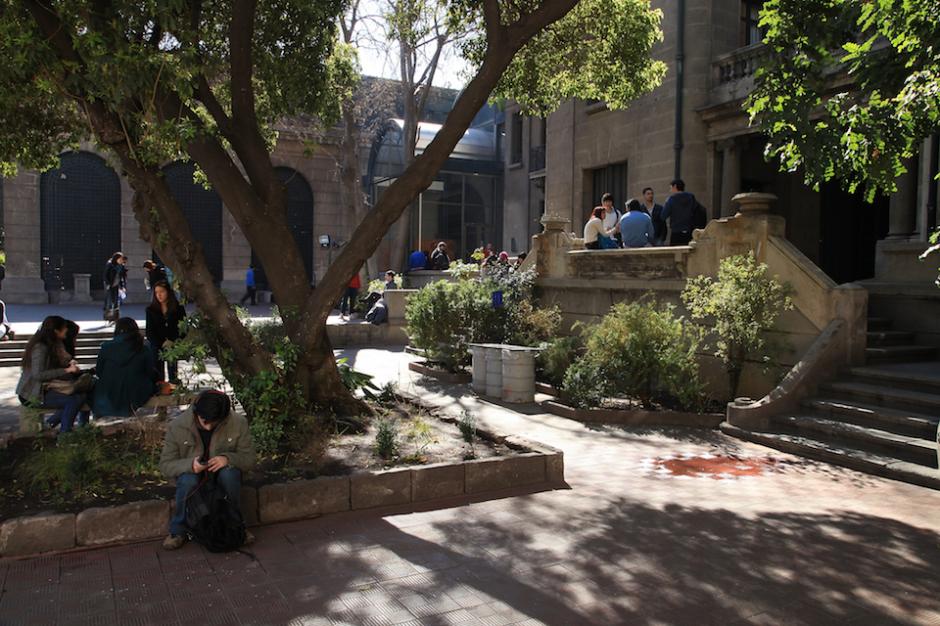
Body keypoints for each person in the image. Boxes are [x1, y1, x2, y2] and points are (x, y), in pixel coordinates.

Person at [159, 390, 256, 550]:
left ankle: (237, 525)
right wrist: (190, 465)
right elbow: (165, 466)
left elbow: (250, 459)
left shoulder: (238, 423)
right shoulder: (178, 426)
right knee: (188, 480)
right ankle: (178, 530)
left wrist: (228, 459)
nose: (209, 426)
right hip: (193, 477)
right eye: (205, 421)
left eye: (214, 422)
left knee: (230, 475)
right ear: (197, 413)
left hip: (221, 474)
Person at [16, 315, 89, 433]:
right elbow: (38, 375)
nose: (66, 330)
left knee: (81, 397)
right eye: (64, 328)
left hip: (44, 388)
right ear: (56, 331)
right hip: (32, 394)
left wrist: (69, 364)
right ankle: (65, 435)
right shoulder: (40, 348)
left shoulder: (54, 344)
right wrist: (67, 370)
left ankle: (53, 425)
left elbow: (57, 365)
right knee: (73, 401)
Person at [92, 318, 158, 418]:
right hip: (136, 392)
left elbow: (99, 371)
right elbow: (149, 372)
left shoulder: (106, 347)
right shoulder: (143, 348)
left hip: (109, 391)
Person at [146, 281, 187, 383]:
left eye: (162, 292)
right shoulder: (150, 310)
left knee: (172, 362)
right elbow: (150, 331)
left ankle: (173, 383)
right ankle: (160, 384)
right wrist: (161, 343)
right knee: (156, 359)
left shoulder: (178, 308)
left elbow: (183, 328)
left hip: (173, 343)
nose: (159, 295)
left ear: (168, 292)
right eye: (156, 292)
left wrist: (173, 340)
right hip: (157, 344)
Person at [662, 179, 708, 245]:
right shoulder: (691, 198)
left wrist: (666, 203)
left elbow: (663, 216)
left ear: (675, 186)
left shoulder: (671, 200)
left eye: (671, 188)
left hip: (676, 232)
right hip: (690, 231)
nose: (670, 191)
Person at [103, 252, 128, 324]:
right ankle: (109, 318)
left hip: (117, 286)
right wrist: (107, 283)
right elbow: (105, 275)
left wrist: (123, 286)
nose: (121, 260)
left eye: (121, 259)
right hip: (110, 285)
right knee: (109, 301)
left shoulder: (121, 266)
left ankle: (116, 318)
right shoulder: (110, 265)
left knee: (117, 301)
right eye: (119, 259)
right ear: (116, 259)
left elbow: (122, 277)